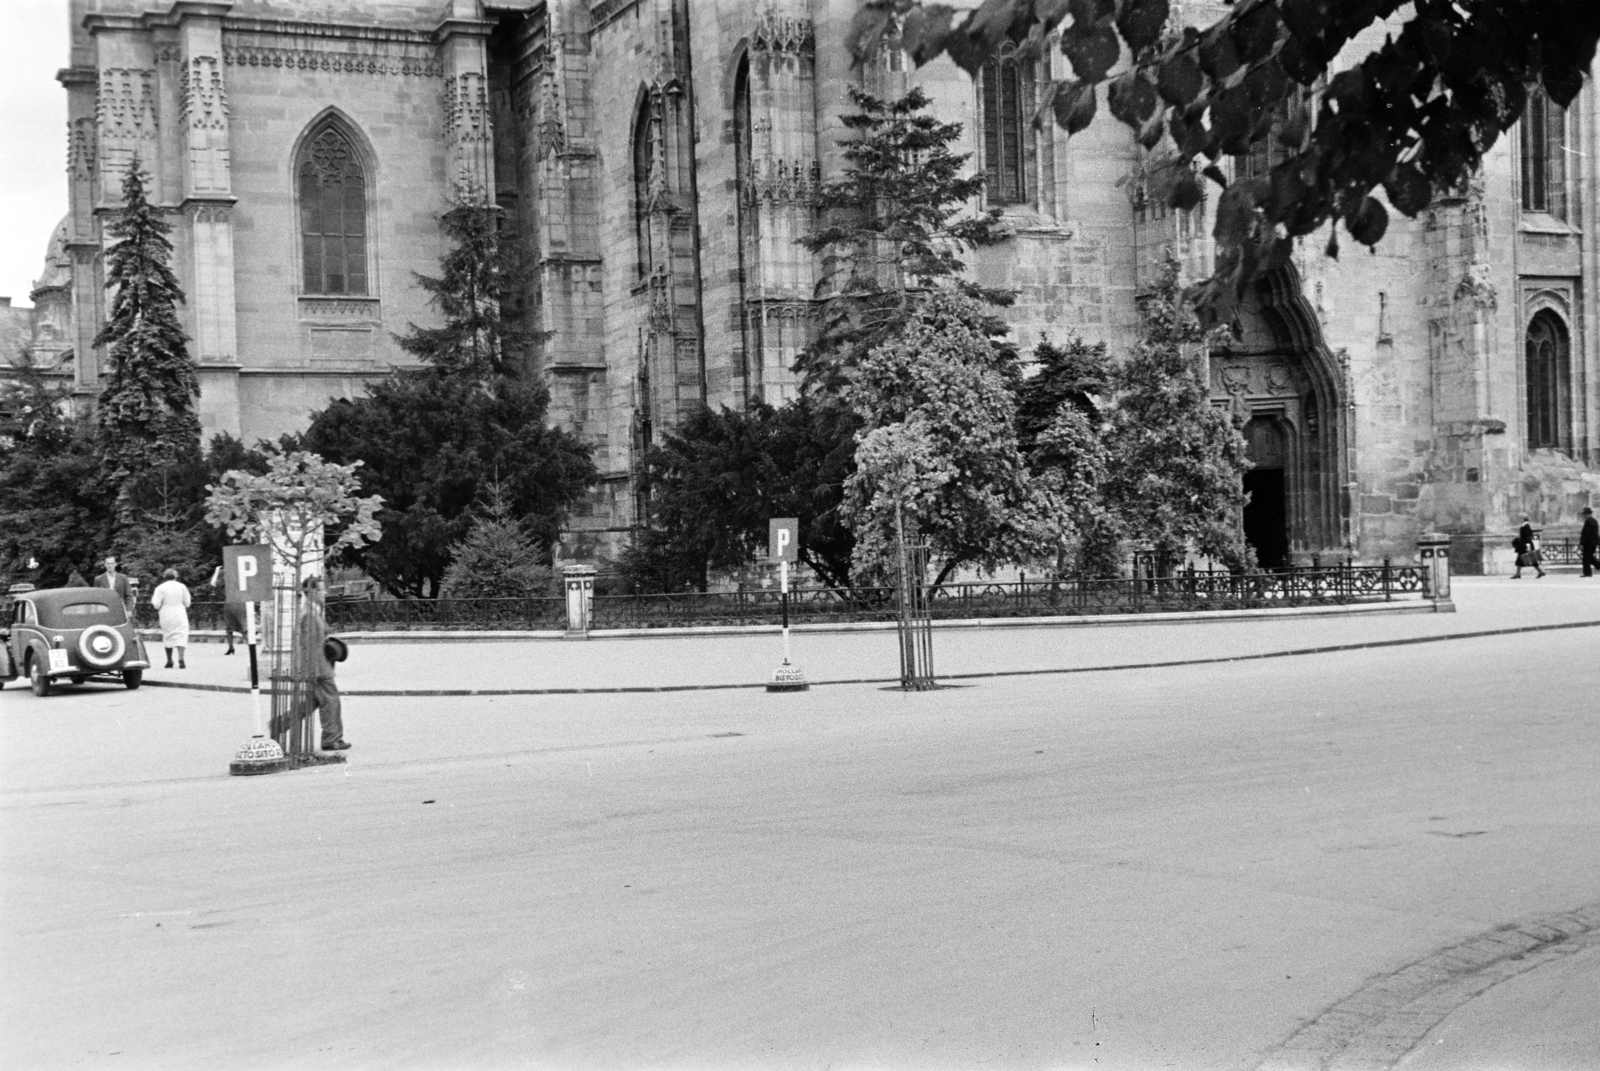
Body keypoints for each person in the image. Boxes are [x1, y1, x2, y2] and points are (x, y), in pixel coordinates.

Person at [296, 575, 349, 751]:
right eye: (320, 589)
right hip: (319, 667)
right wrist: (317, 670)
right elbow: (310, 645)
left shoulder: (313, 611)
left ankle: (278, 725)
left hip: (321, 665)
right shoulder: (309, 615)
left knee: (313, 703)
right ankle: (331, 739)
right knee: (331, 701)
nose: (324, 593)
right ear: (310, 592)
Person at [150, 568, 192, 669]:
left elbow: (155, 604)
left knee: (167, 635)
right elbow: (187, 603)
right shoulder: (182, 587)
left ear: (165, 576)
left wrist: (160, 605)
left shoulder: (160, 588)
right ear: (176, 576)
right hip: (179, 613)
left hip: (166, 613)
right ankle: (181, 658)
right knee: (181, 635)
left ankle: (169, 660)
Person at [208, 565, 249, 655]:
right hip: (242, 601)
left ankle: (231, 647)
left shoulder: (227, 578)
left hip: (230, 602)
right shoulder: (240, 577)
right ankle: (249, 646)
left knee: (229, 626)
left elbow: (213, 583)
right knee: (243, 625)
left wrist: (216, 571)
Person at [1581, 507, 1599, 578]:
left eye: (1585, 514)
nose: (1584, 516)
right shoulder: (1595, 521)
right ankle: (1597, 565)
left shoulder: (1588, 522)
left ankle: (1587, 573)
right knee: (1590, 557)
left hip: (1588, 543)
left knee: (1586, 558)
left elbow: (1585, 533)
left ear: (1587, 514)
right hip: (1594, 542)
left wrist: (1582, 543)